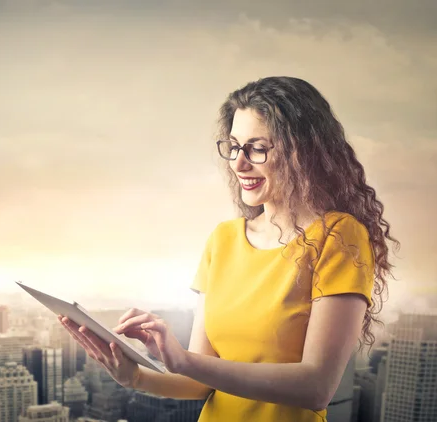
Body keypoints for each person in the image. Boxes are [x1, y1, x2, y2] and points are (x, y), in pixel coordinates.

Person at [57, 76, 399, 421]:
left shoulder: (339, 237)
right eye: (234, 146)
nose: (238, 163)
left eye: (257, 147)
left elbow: (316, 387)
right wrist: (134, 376)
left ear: (303, 153)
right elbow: (200, 384)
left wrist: (184, 360)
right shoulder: (223, 240)